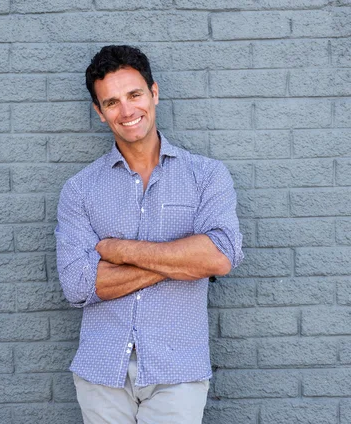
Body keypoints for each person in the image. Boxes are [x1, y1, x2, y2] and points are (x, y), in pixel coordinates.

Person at [55, 45, 244, 424]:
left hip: (178, 369)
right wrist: (183, 261)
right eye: (111, 102)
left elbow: (219, 256)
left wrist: (116, 250)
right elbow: (77, 285)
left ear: (154, 93)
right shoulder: (80, 189)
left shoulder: (205, 176)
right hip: (101, 371)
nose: (127, 111)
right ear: (99, 111)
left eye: (134, 95)